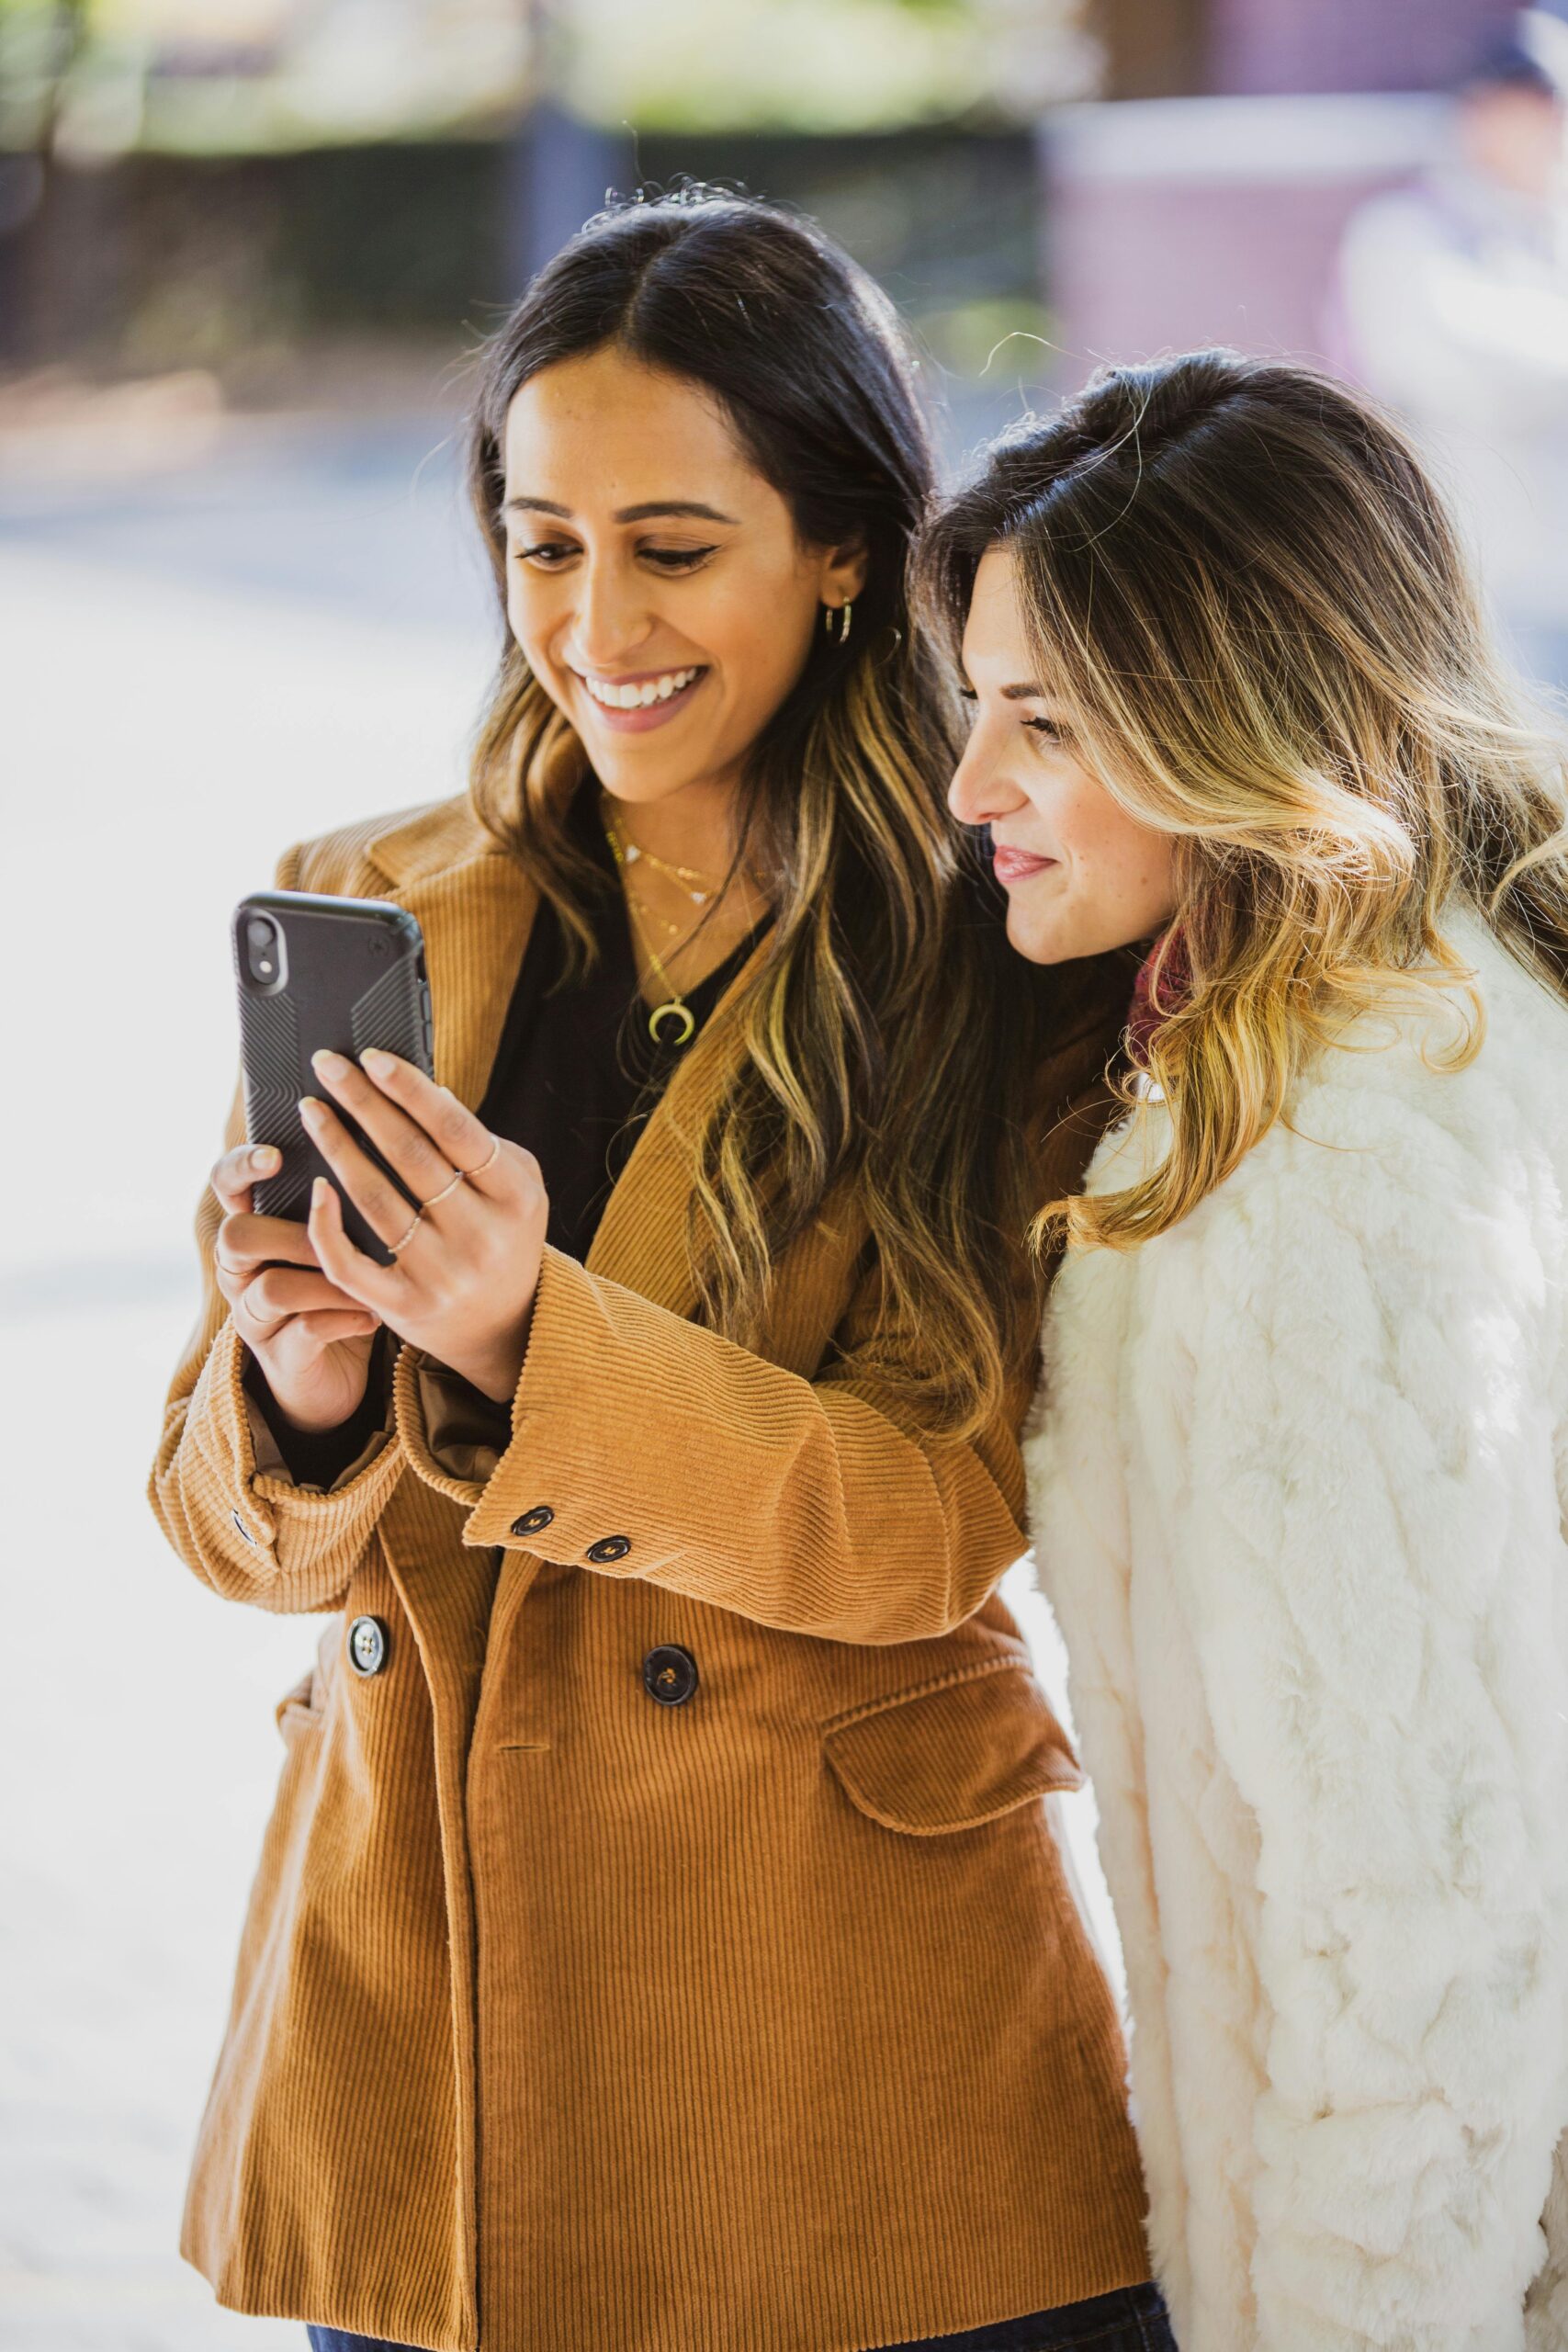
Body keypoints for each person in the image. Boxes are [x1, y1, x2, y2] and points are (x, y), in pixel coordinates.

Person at [148, 190, 1176, 2352]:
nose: (590, 617)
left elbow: (933, 1511)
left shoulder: (986, 934)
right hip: (424, 2024)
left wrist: (531, 1337)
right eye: (538, 540)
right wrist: (304, 1382)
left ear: (834, 544)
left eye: (671, 547)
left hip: (832, 2041)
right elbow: (227, 1532)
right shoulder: (371, 899)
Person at [920, 348, 1568, 2348]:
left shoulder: (1325, 1160)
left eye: (1042, 722)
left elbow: (1413, 1930)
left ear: (1231, 723)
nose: (971, 788)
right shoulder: (1428, 1002)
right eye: (974, 710)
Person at [1336, 28, 1568, 690]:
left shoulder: (1549, 234)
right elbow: (1462, 373)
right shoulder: (1408, 231)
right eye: (1532, 113)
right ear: (1479, 116)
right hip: (1488, 568)